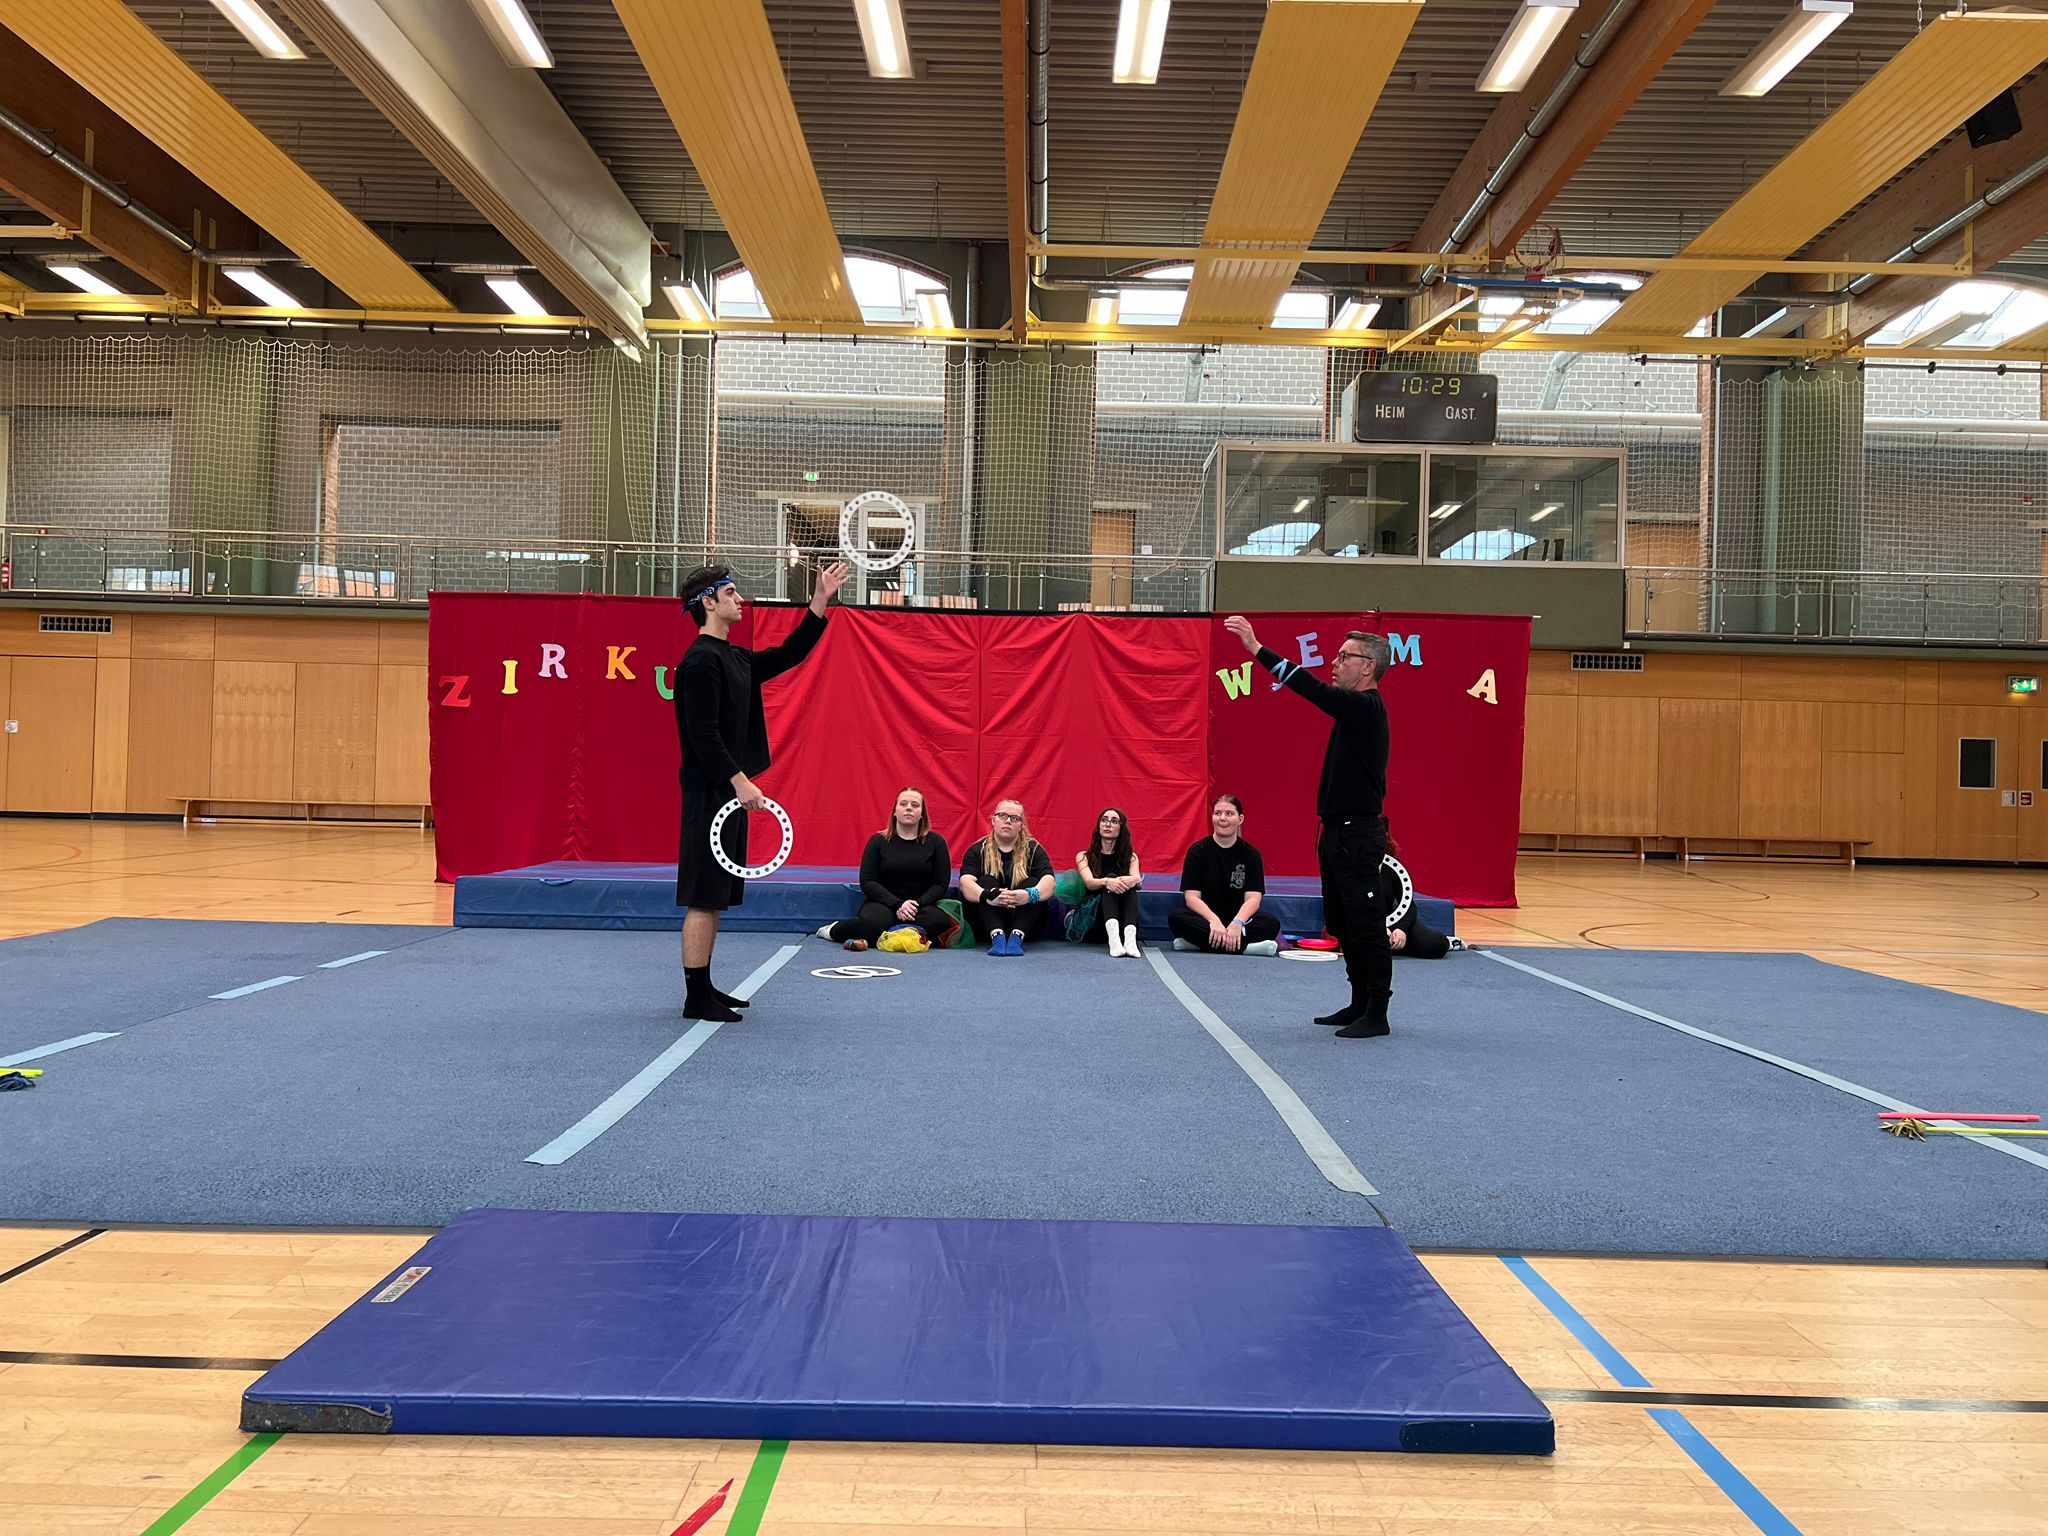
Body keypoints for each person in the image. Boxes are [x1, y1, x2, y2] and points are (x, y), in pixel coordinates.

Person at [675, 558, 848, 1021]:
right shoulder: (700, 661)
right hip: (709, 793)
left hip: (728, 794)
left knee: (717, 897)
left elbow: (791, 653)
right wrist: (739, 780)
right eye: (730, 593)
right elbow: (703, 735)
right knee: (703, 896)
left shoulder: (735, 658)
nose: (739, 599)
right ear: (708, 603)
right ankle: (696, 997)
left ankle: (704, 986)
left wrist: (819, 600)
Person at [1223, 616, 1393, 1038]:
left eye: (1344, 657)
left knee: (1365, 922)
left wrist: (1257, 649)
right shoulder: (1353, 713)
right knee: (1341, 920)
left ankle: (1377, 1010)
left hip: (1357, 833)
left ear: (1368, 666)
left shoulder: (1365, 708)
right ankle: (1359, 1000)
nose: (1335, 663)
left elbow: (1310, 688)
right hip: (1337, 830)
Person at [816, 787, 954, 952]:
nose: (909, 808)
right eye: (903, 804)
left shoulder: (936, 842)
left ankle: (893, 933)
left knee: (938, 922)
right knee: (872, 924)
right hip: (883, 902)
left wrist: (916, 904)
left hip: (920, 905)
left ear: (922, 814)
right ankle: (833, 930)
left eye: (915, 805)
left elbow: (940, 884)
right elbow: (868, 882)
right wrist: (898, 904)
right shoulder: (878, 841)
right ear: (895, 811)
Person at [1168, 794, 1281, 956]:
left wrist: (1237, 923)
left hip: (1239, 921)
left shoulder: (1251, 854)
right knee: (1177, 918)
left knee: (1270, 924)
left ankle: (1199, 945)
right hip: (1206, 920)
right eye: (1218, 813)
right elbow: (1191, 898)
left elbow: (1253, 899)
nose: (1222, 818)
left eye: (1229, 814)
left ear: (1240, 819)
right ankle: (1246, 948)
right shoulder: (1197, 851)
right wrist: (1214, 921)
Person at [958, 798, 1054, 955]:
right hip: (984, 926)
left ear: (1020, 825)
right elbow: (965, 883)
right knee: (986, 881)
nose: (1008, 821)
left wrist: (1028, 895)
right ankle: (997, 937)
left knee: (1031, 883)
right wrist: (988, 896)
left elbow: (1049, 882)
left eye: (1014, 818)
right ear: (993, 820)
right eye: (1003, 816)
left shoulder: (1034, 849)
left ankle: (1016, 938)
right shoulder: (977, 850)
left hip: (1027, 926)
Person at [1074, 807, 1144, 957]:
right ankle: (1114, 940)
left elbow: (1137, 879)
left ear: (1121, 827)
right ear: (1099, 825)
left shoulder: (1131, 857)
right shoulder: (1084, 856)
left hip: (1123, 920)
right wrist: (1107, 881)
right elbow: (1089, 882)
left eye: (1114, 821)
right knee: (1112, 878)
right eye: (1104, 820)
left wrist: (1133, 879)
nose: (1108, 824)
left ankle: (1130, 940)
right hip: (1095, 918)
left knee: (1127, 883)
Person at [1381, 821, 1454, 960]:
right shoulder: (1351, 865)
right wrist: (1378, 928)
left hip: (1391, 922)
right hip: (1363, 924)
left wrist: (1401, 929)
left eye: (1381, 836)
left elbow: (1409, 906)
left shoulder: (1393, 866)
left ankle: (1393, 944)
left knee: (1437, 944)